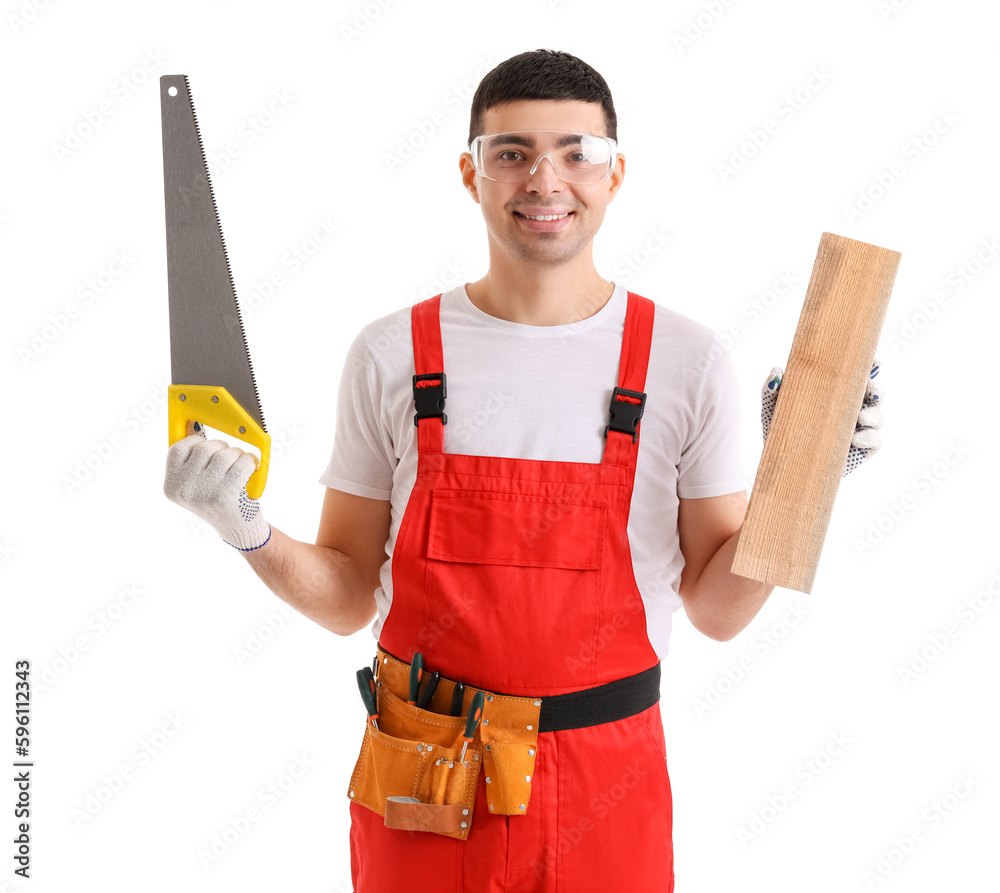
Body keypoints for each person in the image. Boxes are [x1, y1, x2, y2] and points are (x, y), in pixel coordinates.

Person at [164, 49, 883, 892]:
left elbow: (719, 610)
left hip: (606, 783)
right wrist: (244, 528)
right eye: (512, 152)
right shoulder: (391, 352)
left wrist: (803, 480)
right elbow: (350, 593)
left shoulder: (685, 360)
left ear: (617, 175)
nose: (546, 179)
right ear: (471, 173)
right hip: (426, 774)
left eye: (578, 151)